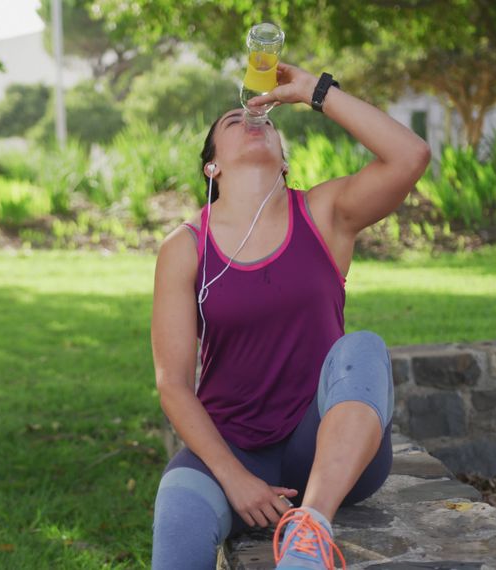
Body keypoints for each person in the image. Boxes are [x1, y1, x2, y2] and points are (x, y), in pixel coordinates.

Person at [149, 62, 431, 570]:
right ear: (212, 166)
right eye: (234, 122)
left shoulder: (324, 214)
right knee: (178, 516)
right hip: (230, 448)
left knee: (362, 346)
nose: (252, 119)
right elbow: (172, 383)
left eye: (265, 122)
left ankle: (308, 534)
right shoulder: (185, 248)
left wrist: (313, 91)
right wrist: (235, 479)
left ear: (283, 160)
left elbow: (410, 155)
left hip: (325, 446)